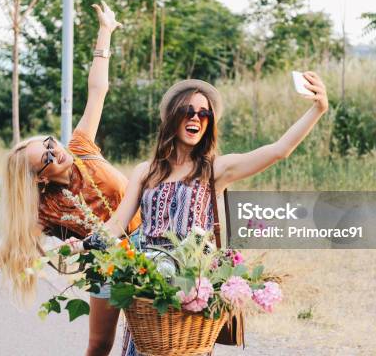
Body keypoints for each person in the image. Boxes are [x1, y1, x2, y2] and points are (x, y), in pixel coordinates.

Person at [0, 1, 141, 356]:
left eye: (49, 143)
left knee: (156, 335)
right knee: (99, 345)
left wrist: (105, 31)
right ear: (41, 180)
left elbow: (97, 90)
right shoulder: (47, 209)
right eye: (46, 158)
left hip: (151, 246)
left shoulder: (81, 147)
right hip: (109, 265)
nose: (55, 150)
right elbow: (7, 249)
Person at [67, 74, 329, 355]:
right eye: (188, 111)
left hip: (191, 289)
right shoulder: (147, 171)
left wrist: (318, 109)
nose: (196, 118)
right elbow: (119, 222)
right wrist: (81, 244)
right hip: (147, 288)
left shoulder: (214, 170)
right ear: (172, 117)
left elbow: (279, 150)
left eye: (204, 113)